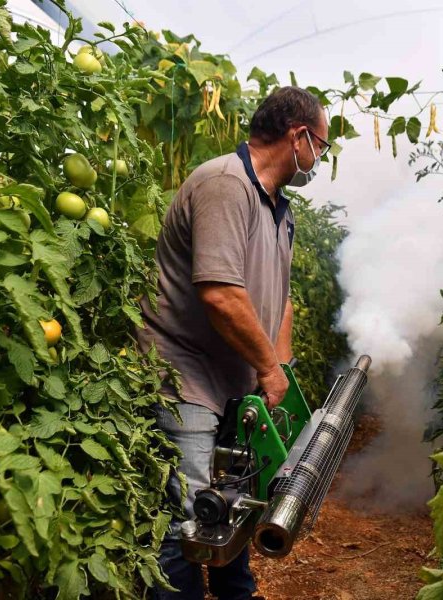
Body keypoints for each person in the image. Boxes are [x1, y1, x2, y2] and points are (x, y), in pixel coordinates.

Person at [136, 86, 331, 600]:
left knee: (235, 501)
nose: (319, 159)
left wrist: (280, 373)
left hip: (235, 380)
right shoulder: (226, 184)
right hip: (186, 376)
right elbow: (220, 294)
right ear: (298, 137)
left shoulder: (280, 210)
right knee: (190, 519)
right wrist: (267, 369)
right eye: (322, 147)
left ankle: (236, 593)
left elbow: (281, 301)